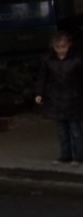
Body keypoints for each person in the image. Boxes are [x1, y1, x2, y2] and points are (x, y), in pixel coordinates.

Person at [34, 31, 83, 164]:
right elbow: (42, 77)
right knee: (62, 130)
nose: (61, 50)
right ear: (53, 47)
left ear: (69, 45)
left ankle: (79, 157)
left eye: (63, 47)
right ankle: (65, 156)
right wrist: (39, 93)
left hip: (74, 98)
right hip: (56, 98)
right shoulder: (47, 60)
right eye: (58, 47)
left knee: (75, 130)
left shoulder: (77, 59)